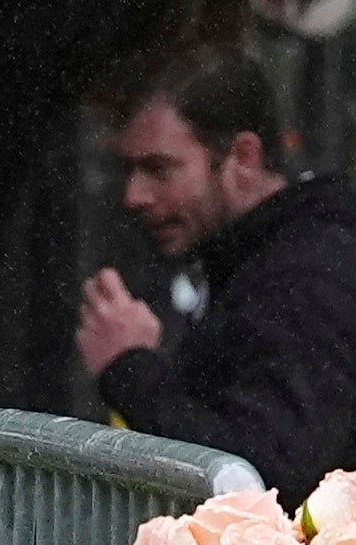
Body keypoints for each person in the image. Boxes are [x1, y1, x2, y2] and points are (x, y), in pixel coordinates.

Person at [75, 47, 356, 505]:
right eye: (127, 169)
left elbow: (260, 481)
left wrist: (131, 368)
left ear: (242, 156)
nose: (135, 195)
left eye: (158, 167)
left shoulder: (308, 275)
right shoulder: (266, 256)